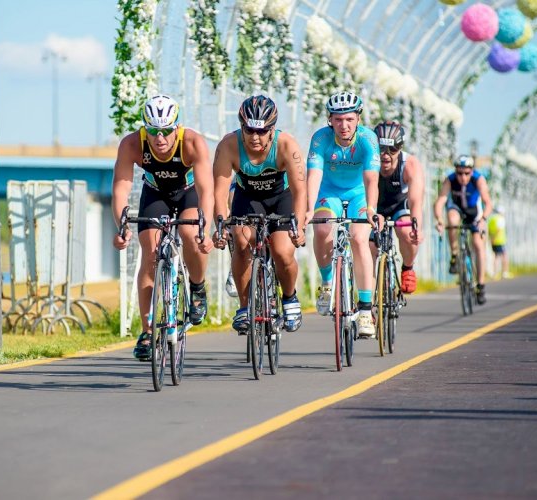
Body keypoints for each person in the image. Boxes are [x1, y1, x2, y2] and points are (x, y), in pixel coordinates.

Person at [112, 94, 214, 360]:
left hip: (187, 192)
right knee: (150, 252)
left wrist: (207, 227)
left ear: (176, 128)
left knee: (190, 234)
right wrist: (121, 226)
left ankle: (198, 286)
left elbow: (206, 190)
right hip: (155, 194)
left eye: (166, 131)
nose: (160, 138)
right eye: (153, 130)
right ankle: (147, 331)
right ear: (145, 128)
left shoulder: (192, 142)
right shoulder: (132, 144)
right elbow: (121, 188)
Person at [212, 95, 307, 333]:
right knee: (242, 241)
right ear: (241, 126)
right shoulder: (228, 145)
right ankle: (245, 308)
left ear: (272, 129)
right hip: (248, 197)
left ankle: (289, 297)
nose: (255, 137)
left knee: (282, 252)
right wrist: (221, 226)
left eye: (262, 131)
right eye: (249, 130)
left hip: (280, 197)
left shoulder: (287, 145)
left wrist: (299, 226)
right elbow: (220, 193)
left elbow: (299, 190)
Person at [306, 91, 380, 338]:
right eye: (338, 120)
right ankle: (327, 283)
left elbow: (371, 179)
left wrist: (370, 208)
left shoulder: (368, 139)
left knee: (359, 239)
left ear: (358, 118)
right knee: (323, 227)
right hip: (329, 192)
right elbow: (314, 175)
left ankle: (366, 311)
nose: (344, 125)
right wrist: (308, 208)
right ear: (330, 120)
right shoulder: (320, 139)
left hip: (359, 194)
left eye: (349, 119)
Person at [372, 120, 425, 294]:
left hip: (399, 205)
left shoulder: (410, 164)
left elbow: (416, 200)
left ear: (400, 148)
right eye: (381, 149)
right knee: (369, 246)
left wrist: (416, 226)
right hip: (374, 206)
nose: (386, 155)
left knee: (406, 230)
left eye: (392, 149)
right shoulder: (368, 161)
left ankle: (407, 267)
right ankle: (369, 299)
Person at [433, 154, 492, 305]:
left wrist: (483, 219)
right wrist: (439, 219)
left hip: (474, 213)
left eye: (466, 173)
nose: (463, 177)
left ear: (472, 171)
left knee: (478, 245)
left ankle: (480, 284)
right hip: (457, 209)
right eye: (459, 173)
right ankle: (454, 255)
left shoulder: (478, 179)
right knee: (452, 220)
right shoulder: (450, 179)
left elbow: (487, 202)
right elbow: (440, 201)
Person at [487, 206, 511, 279]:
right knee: (504, 256)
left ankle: (495, 273)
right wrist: (494, 237)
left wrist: (491, 238)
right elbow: (499, 229)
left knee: (496, 257)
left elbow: (489, 229)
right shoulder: (500, 218)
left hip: (493, 240)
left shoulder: (491, 219)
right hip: (500, 241)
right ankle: (505, 272)